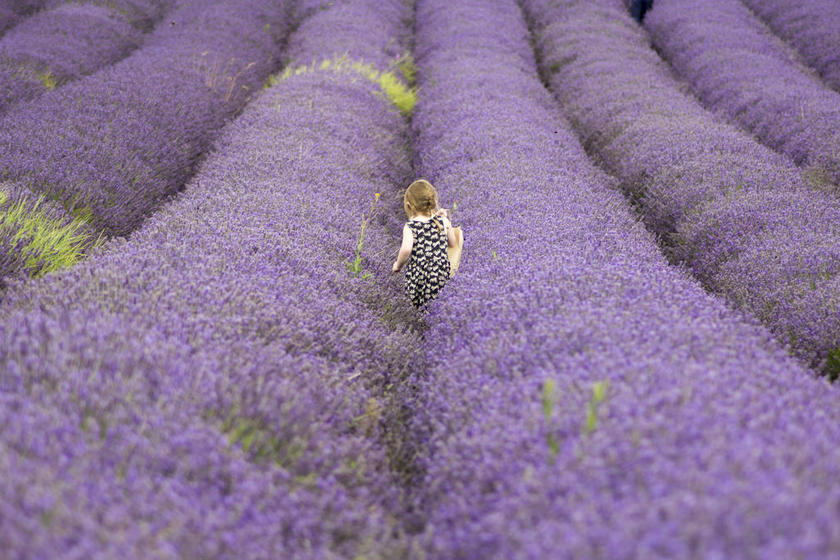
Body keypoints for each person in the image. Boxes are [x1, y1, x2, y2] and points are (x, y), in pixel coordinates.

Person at [392, 179, 463, 309]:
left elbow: (406, 250)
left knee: (417, 306)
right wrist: (446, 221)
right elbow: (453, 243)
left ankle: (419, 322)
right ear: (433, 202)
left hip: (419, 274)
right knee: (439, 305)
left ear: (409, 205)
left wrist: (398, 265)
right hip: (440, 272)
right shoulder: (443, 222)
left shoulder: (411, 226)